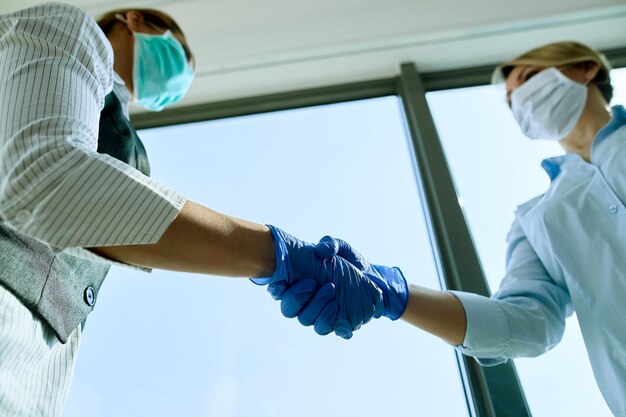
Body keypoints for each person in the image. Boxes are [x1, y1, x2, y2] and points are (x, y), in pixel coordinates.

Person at [0, 3, 405, 416]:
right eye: (177, 52)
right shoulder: (64, 29)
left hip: (39, 378)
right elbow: (48, 180)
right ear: (135, 19)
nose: (178, 76)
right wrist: (276, 255)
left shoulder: (122, 132)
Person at [278, 41, 626, 416]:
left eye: (528, 78)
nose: (522, 100)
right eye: (511, 101)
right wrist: (394, 294)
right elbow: (523, 323)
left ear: (586, 69)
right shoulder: (537, 219)